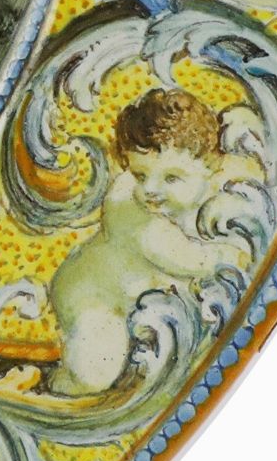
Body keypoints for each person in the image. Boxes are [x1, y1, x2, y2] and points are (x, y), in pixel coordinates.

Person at [48, 84, 251, 394]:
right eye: (140, 175)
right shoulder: (131, 209)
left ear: (210, 168)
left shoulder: (204, 183)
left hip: (134, 298)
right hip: (92, 296)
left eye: (171, 177)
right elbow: (186, 259)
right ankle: (63, 383)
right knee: (95, 372)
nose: (150, 189)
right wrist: (229, 256)